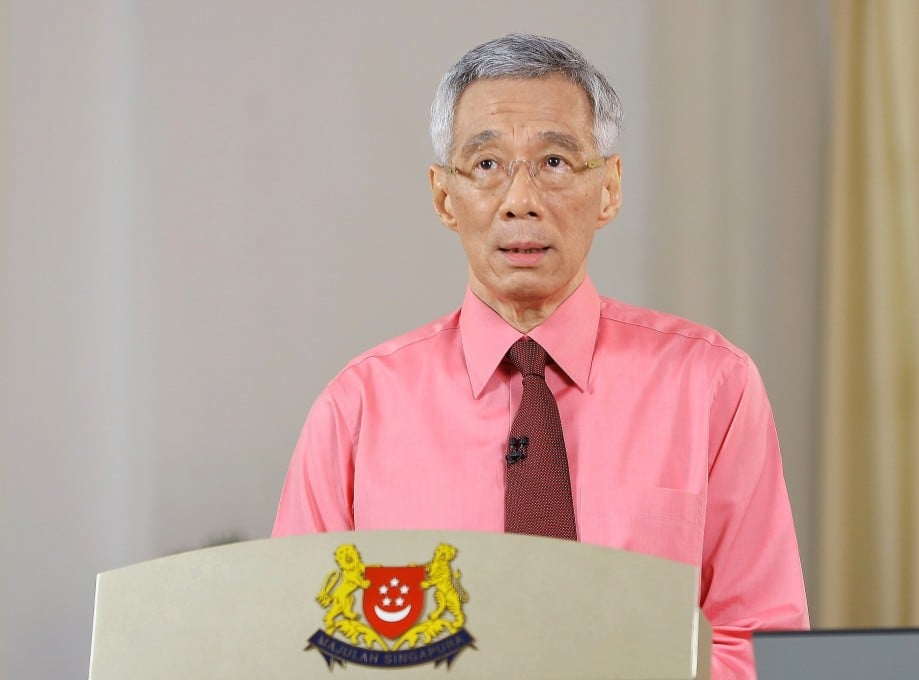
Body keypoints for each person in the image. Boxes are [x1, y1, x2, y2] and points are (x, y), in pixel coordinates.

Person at [273, 32, 809, 677]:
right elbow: (297, 647)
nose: (520, 201)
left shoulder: (712, 386)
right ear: (445, 196)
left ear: (608, 188)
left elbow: (755, 644)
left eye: (555, 162)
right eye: (488, 165)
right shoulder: (356, 409)